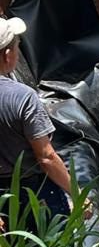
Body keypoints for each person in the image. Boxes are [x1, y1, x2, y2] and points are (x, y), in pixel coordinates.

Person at [0, 17, 81, 232]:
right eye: (17, 47)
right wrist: (78, 194)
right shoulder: (22, 97)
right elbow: (46, 157)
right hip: (32, 192)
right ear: (7, 56)